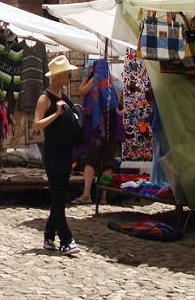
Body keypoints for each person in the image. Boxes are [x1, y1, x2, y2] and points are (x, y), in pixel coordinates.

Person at [34, 55, 80, 255]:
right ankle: (66, 239)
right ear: (59, 76)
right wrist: (56, 114)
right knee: (59, 196)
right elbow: (37, 125)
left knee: (59, 197)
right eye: (68, 74)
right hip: (52, 152)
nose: (70, 77)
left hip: (65, 152)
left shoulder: (64, 96)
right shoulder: (45, 98)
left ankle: (49, 235)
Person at [72, 59, 124, 204]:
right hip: (112, 128)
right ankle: (103, 197)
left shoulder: (94, 81)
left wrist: (85, 76)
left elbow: (81, 91)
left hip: (95, 128)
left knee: (90, 160)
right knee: (108, 162)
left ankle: (87, 194)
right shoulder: (114, 82)